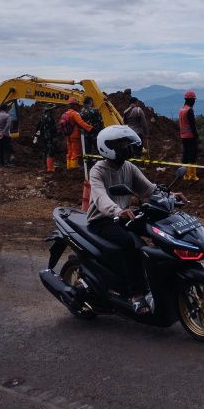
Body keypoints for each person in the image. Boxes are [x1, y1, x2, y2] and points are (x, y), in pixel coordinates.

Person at [86, 125, 185, 313]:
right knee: (129, 244)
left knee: (158, 230)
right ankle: (136, 294)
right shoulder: (97, 171)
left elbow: (148, 189)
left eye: (127, 144)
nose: (127, 148)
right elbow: (100, 198)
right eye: (121, 144)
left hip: (123, 215)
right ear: (108, 147)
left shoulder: (128, 167)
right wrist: (116, 210)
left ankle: (163, 277)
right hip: (102, 219)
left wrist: (171, 195)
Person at [63, 98, 93, 170]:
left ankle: (69, 166)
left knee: (69, 151)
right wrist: (90, 128)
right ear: (74, 105)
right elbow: (81, 123)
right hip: (75, 135)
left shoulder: (65, 113)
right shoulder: (75, 113)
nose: (77, 107)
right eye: (76, 105)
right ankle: (74, 167)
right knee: (75, 152)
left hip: (68, 135)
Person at [178, 90, 200, 181]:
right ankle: (192, 176)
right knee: (192, 155)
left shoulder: (181, 110)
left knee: (186, 155)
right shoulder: (189, 110)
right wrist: (197, 137)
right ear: (190, 100)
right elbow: (192, 125)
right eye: (193, 100)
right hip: (191, 136)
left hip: (183, 136)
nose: (194, 102)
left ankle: (185, 175)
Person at [34, 104, 58, 172]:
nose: (54, 111)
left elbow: (38, 127)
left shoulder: (42, 117)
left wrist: (36, 136)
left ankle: (45, 165)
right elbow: (53, 128)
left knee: (45, 150)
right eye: (53, 109)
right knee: (50, 151)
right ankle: (50, 167)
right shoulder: (50, 117)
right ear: (50, 110)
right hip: (49, 137)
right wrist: (55, 135)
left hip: (43, 137)